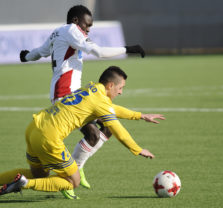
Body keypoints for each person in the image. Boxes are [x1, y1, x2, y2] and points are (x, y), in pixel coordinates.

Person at [0, 66, 165, 202]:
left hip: (34, 128)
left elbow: (112, 109)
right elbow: (119, 131)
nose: (121, 92)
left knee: (39, 174)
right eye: (120, 88)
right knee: (72, 182)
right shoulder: (100, 101)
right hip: (49, 137)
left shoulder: (91, 89)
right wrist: (137, 149)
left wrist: (140, 116)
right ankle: (23, 184)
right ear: (109, 85)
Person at [19, 5, 146, 192]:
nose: (88, 29)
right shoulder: (72, 30)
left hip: (67, 93)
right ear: (76, 21)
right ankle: (71, 176)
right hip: (66, 95)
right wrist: (129, 48)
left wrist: (26, 56)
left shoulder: (59, 32)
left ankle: (75, 170)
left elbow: (40, 51)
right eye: (87, 25)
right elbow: (99, 52)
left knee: (106, 128)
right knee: (96, 133)